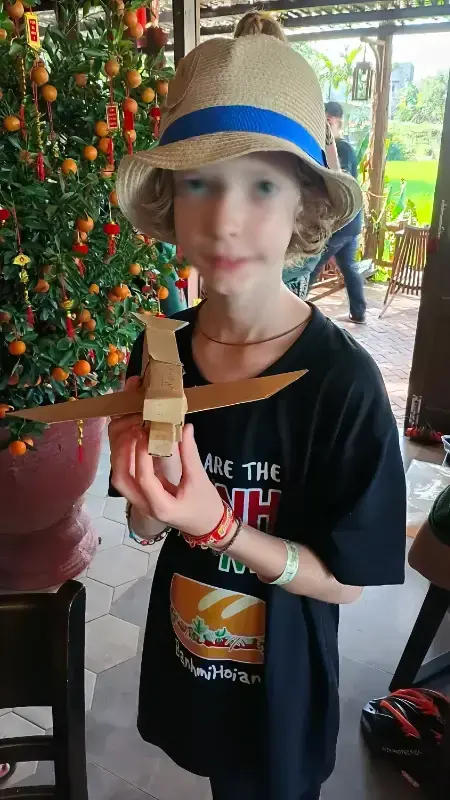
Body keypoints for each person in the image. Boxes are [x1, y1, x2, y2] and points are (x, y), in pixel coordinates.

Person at [109, 35, 406, 800]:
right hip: (191, 660)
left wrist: (221, 528)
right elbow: (149, 531)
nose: (226, 220)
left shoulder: (344, 385)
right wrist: (146, 501)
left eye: (262, 186)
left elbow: (347, 583)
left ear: (307, 201)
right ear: (169, 203)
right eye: (200, 184)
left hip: (283, 694)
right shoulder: (160, 349)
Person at [233, 11, 340, 300]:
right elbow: (333, 178)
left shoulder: (236, 101)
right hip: (296, 237)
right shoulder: (305, 104)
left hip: (270, 243)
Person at [309, 100, 367, 323]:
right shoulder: (347, 148)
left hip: (341, 224)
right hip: (351, 223)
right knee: (349, 267)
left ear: (330, 121)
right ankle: (359, 313)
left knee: (311, 262)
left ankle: (295, 305)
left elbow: (337, 184)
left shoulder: (340, 149)